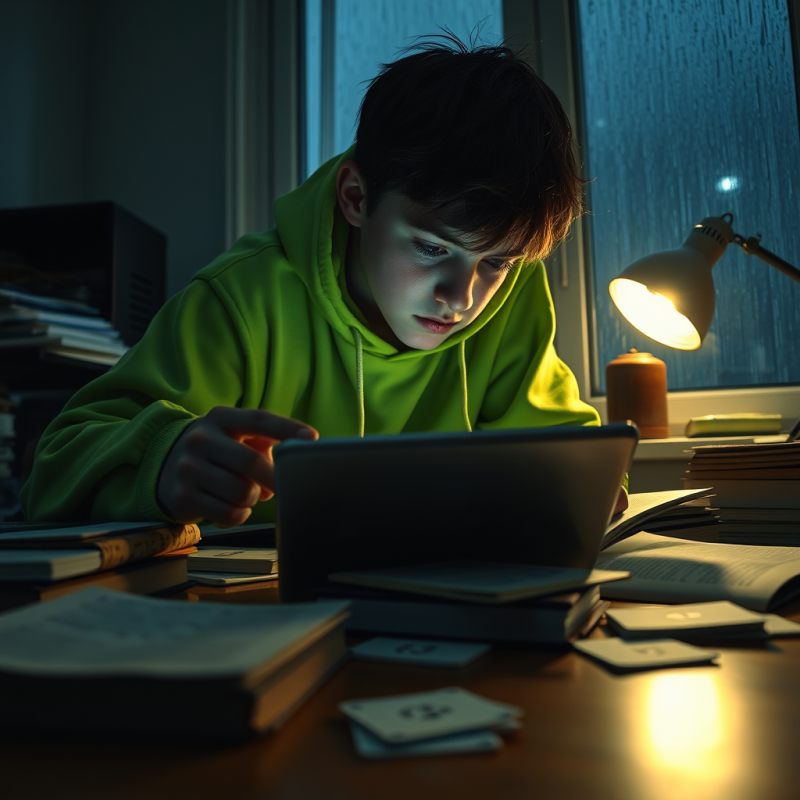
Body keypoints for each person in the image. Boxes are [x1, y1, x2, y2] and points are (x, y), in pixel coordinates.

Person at [21, 34, 626, 526]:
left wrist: (592, 485)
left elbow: (567, 452)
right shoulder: (242, 299)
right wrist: (159, 460)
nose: (462, 297)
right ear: (356, 198)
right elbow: (52, 467)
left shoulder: (513, 295)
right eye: (431, 246)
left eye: (497, 261)